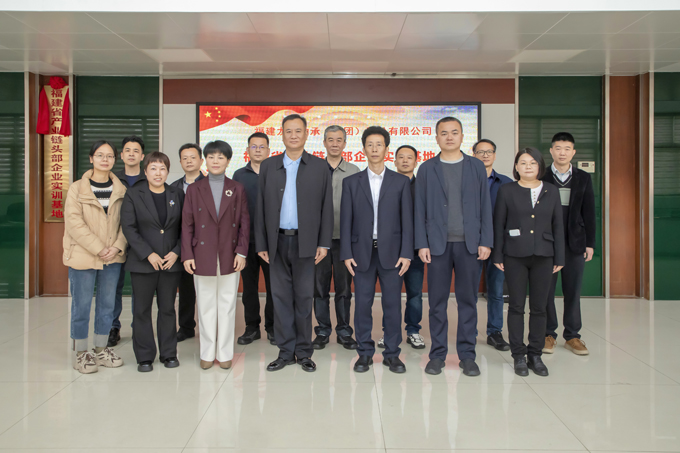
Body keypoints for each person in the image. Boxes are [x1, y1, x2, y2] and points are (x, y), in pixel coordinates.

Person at [414, 116, 493, 377]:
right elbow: (419, 209)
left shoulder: (476, 166)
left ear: (462, 137)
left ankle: (467, 356)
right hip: (437, 246)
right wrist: (421, 243)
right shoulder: (427, 168)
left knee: (467, 301)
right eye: (444, 133)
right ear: (436, 137)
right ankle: (437, 355)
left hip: (470, 245)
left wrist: (486, 240)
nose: (449, 137)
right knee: (437, 302)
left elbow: (485, 206)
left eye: (454, 132)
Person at [256, 114, 333, 373]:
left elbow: (326, 207)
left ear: (306, 134)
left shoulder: (320, 167)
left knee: (303, 298)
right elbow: (260, 208)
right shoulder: (268, 166)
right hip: (276, 242)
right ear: (282, 134)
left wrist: (324, 243)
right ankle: (285, 352)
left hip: (306, 243)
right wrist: (262, 243)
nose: (293, 135)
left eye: (298, 131)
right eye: (288, 131)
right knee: (280, 299)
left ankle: (304, 352)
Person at [341, 126, 413, 374]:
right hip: (361, 253)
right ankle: (364, 353)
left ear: (386, 149)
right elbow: (346, 221)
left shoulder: (401, 182)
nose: (374, 149)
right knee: (362, 305)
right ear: (363, 149)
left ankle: (392, 354)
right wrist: (346, 253)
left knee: (392, 305)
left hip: (393, 254)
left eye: (379, 144)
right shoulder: (351, 182)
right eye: (370, 144)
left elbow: (407, 221)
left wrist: (406, 253)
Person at [492, 147, 565, 376]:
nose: (528, 167)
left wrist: (560, 256)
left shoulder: (551, 190)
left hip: (544, 255)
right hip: (514, 255)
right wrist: (497, 255)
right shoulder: (507, 190)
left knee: (539, 307)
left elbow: (558, 225)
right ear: (516, 167)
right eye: (523, 163)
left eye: (533, 163)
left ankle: (535, 354)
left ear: (540, 166)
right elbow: (499, 224)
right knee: (516, 306)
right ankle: (518, 355)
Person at [181, 140, 249, 370]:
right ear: (205, 161)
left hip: (230, 254)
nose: (216, 161)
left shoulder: (237, 188)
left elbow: (244, 223)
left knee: (227, 305)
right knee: (206, 305)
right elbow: (187, 224)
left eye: (221, 157)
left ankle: (225, 352)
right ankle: (207, 352)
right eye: (211, 157)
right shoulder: (194, 189)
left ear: (228, 161)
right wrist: (187, 254)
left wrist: (242, 252)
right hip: (202, 253)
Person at [63, 140, 126, 374]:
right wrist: (99, 248)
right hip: (83, 254)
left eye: (109, 156)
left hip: (112, 256)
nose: (105, 159)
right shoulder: (77, 188)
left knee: (107, 305)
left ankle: (101, 349)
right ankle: (81, 353)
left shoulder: (121, 190)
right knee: (81, 305)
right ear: (91, 158)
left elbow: (127, 224)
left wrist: (117, 247)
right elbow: (74, 223)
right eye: (100, 155)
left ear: (114, 160)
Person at [121, 152, 184, 372]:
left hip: (170, 262)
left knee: (167, 309)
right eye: (153, 168)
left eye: (162, 168)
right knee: (142, 310)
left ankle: (169, 354)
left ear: (168, 171)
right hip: (143, 263)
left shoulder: (177, 193)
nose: (158, 173)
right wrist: (148, 254)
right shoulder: (133, 194)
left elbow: (186, 227)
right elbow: (129, 228)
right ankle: (145, 357)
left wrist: (177, 252)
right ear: (145, 171)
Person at [542, 132, 596, 356]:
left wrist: (590, 243)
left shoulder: (583, 177)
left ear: (573, 152)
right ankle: (548, 334)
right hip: (547, 242)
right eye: (558, 148)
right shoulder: (542, 175)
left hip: (575, 242)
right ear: (551, 151)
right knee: (546, 290)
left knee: (573, 290)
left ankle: (572, 335)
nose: (562, 153)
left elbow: (589, 211)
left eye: (566, 149)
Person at [313, 125, 360, 350]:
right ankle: (322, 331)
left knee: (344, 289)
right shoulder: (313, 169)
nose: (334, 143)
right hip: (318, 241)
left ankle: (344, 331)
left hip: (345, 241)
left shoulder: (354, 171)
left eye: (339, 140)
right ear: (324, 143)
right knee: (319, 288)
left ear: (344, 143)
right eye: (330, 139)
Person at [378, 144, 425, 350]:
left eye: (409, 157)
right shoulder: (386, 184)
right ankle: (389, 332)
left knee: (414, 293)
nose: (405, 161)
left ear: (416, 161)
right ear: (394, 160)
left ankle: (413, 331)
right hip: (391, 250)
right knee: (390, 294)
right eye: (401, 157)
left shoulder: (423, 187)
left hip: (415, 250)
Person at [233, 132, 275, 346]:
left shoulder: (277, 172)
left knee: (274, 287)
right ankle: (252, 327)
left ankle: (273, 327)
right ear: (247, 150)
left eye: (262, 146)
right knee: (249, 287)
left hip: (272, 242)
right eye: (254, 146)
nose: (258, 150)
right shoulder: (239, 175)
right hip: (246, 241)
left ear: (269, 150)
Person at [473, 139, 512, 352]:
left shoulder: (506, 183)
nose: (485, 155)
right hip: (470, 242)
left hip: (498, 244)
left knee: (496, 290)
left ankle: (494, 332)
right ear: (474, 155)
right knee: (469, 291)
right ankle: (469, 332)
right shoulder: (466, 181)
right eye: (481, 152)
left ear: (495, 155)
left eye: (489, 152)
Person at [109, 135, 146, 347]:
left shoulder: (149, 178)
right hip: (116, 241)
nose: (131, 154)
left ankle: (138, 327)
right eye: (127, 151)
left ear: (142, 156)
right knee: (114, 285)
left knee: (139, 288)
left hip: (141, 242)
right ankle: (113, 327)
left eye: (136, 151)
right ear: (121, 156)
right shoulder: (112, 180)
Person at [170, 143, 205, 342]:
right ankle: (186, 327)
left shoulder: (210, 185)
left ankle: (209, 328)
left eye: (193, 157)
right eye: (185, 158)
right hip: (181, 245)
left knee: (207, 289)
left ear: (201, 160)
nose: (189, 161)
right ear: (180, 162)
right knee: (185, 289)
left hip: (204, 245)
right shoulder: (173, 188)